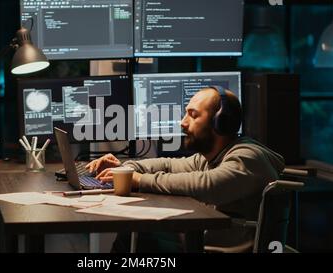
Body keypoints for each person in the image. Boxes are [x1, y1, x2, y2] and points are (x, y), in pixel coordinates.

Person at [85, 87, 285, 252]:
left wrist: (139, 180)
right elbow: (167, 165)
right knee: (134, 232)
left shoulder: (248, 157)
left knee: (139, 232)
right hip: (200, 243)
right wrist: (126, 168)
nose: (183, 122)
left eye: (193, 115)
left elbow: (208, 185)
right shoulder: (209, 158)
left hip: (221, 250)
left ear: (220, 122)